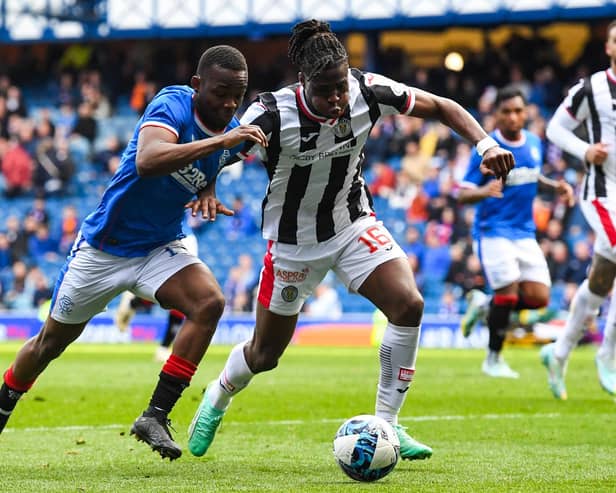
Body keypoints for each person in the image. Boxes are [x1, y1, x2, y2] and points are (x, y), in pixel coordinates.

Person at [187, 19, 514, 461]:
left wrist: (485, 145)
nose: (338, 98)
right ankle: (219, 395)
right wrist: (208, 186)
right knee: (265, 355)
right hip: (292, 245)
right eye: (326, 91)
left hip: (353, 224)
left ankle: (388, 426)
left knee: (409, 304)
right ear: (303, 83)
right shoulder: (269, 114)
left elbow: (441, 106)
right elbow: (221, 150)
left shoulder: (368, 90)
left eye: (341, 86)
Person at [0, 45, 268, 460]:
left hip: (160, 246)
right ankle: (3, 405)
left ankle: (155, 415)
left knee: (209, 302)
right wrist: (225, 141)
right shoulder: (174, 103)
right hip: (105, 248)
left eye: (239, 93)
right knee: (48, 345)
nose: (230, 103)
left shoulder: (231, 135)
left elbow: (211, 163)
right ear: (197, 86)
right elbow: (148, 160)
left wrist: (209, 188)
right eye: (220, 92)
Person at [457, 86, 574, 378]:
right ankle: (493, 358)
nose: (513, 117)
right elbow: (462, 194)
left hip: (524, 232)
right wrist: (485, 190)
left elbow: (532, 175)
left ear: (526, 113)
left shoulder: (534, 142)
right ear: (496, 115)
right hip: (493, 230)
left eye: (518, 111)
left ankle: (484, 303)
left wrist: (554, 186)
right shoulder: (486, 148)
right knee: (507, 294)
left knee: (539, 298)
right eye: (506, 111)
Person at [540, 20, 616, 400]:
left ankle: (559, 352)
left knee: (602, 280)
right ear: (609, 47)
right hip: (603, 191)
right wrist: (585, 151)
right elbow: (555, 129)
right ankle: (608, 354)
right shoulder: (592, 89)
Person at [115, 213, 199, 362]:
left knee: (181, 293)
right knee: (170, 290)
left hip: (185, 238)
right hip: (168, 238)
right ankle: (134, 303)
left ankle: (164, 347)